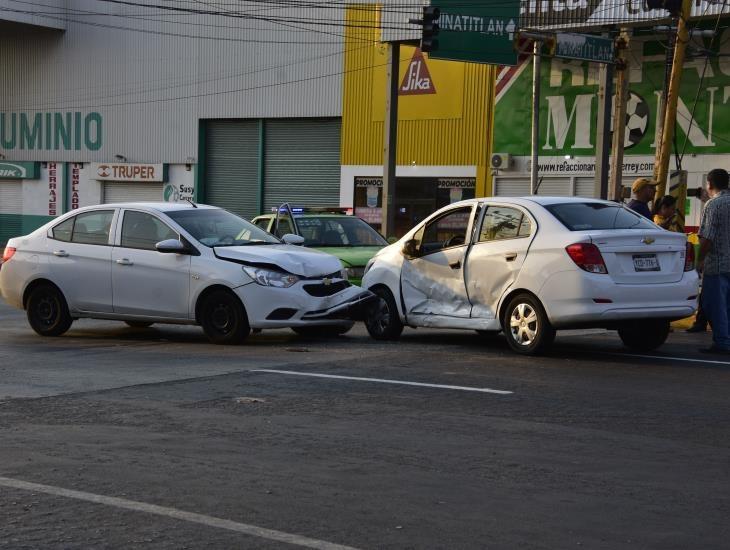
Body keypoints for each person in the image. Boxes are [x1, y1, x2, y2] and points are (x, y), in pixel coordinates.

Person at [697, 168, 730, 354]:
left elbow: (707, 238)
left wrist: (699, 260)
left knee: (712, 304)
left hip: (717, 265)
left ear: (709, 184)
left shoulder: (713, 205)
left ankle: (723, 342)